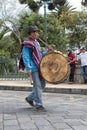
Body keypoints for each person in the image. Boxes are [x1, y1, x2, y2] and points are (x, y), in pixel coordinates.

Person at [21, 25, 48, 111]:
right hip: (33, 67)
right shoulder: (27, 44)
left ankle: (29, 98)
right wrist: (28, 69)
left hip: (40, 67)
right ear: (31, 33)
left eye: (37, 32)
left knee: (43, 85)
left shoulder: (37, 43)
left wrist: (48, 52)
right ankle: (39, 105)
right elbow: (26, 57)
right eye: (35, 32)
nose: (37, 33)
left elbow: (39, 55)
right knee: (38, 86)